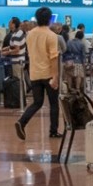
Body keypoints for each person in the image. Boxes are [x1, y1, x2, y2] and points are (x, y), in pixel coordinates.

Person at [15, 7, 61, 140]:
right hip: (48, 73)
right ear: (49, 19)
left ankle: (22, 122)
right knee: (54, 103)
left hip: (34, 73)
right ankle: (53, 131)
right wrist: (55, 77)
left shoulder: (30, 34)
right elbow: (53, 57)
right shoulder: (51, 35)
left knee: (37, 102)